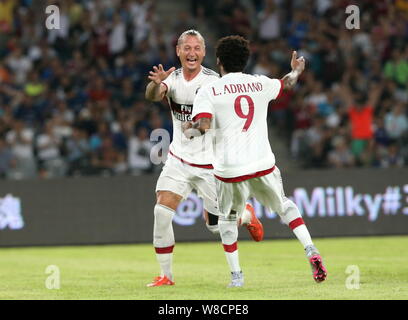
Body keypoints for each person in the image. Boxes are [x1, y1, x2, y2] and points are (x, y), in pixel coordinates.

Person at [191, 35, 327, 287]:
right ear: (246, 60)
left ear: (218, 60)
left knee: (227, 220)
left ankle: (237, 277)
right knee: (285, 207)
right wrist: (295, 71)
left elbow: (204, 126)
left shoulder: (208, 90)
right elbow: (286, 84)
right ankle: (311, 250)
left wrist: (192, 129)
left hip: (229, 169)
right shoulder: (259, 83)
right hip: (262, 163)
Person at [144, 30, 263, 287]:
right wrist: (156, 84)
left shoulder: (213, 82)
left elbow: (221, 120)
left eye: (197, 48)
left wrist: (201, 126)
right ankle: (167, 275)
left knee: (215, 227)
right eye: (186, 48)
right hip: (178, 159)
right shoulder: (172, 79)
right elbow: (153, 96)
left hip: (210, 164)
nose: (191, 53)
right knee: (161, 212)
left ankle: (246, 215)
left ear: (204, 53)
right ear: (178, 51)